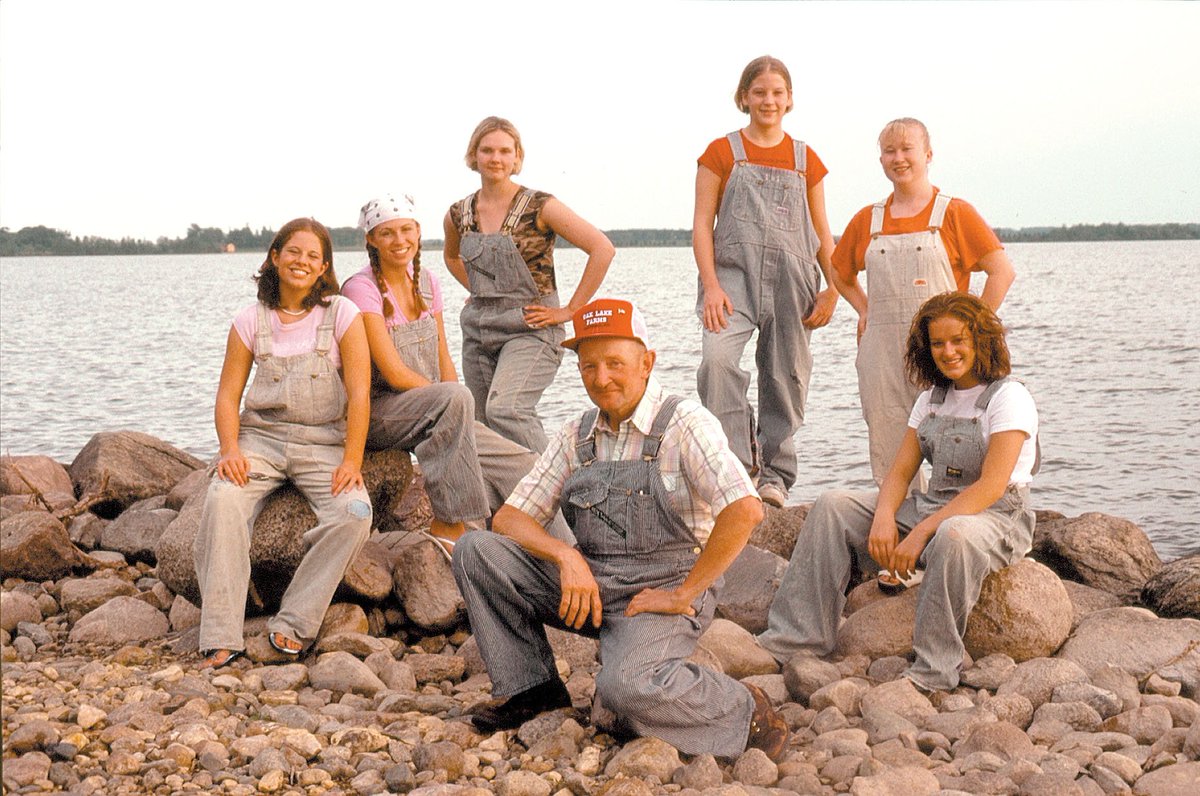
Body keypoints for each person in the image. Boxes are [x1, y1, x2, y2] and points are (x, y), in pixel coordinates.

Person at [451, 297, 790, 761]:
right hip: (591, 585)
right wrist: (567, 557)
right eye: (589, 366)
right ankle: (531, 689)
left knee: (625, 688)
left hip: (660, 592)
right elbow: (511, 516)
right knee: (476, 549)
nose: (601, 377)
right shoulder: (577, 433)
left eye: (615, 363)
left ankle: (745, 709)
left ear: (647, 362)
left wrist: (684, 594)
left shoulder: (684, 423)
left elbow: (746, 509)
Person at [757, 292, 1039, 692]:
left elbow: (992, 486)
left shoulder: (1010, 397)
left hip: (995, 516)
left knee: (954, 534)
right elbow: (900, 472)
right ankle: (794, 639)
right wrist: (886, 517)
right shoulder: (931, 399)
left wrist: (921, 532)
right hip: (935, 504)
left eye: (958, 340)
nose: (948, 351)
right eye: (938, 343)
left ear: (980, 339)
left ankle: (933, 671)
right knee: (833, 505)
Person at [342, 194, 571, 554]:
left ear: (418, 233)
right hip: (379, 414)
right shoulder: (361, 288)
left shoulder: (427, 283)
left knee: (522, 464)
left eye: (406, 230)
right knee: (457, 397)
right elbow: (394, 373)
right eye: (387, 234)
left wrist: (453, 403)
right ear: (371, 239)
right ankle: (452, 525)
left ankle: (566, 549)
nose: (399, 241)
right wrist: (452, 400)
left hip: (433, 407)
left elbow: (443, 357)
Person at [194, 218, 372, 668]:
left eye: (313, 256)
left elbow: (360, 392)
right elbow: (228, 395)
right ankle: (220, 635)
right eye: (294, 252)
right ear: (275, 257)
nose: (302, 261)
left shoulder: (343, 315)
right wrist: (230, 450)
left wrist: (352, 460)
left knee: (354, 515)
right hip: (261, 441)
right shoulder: (250, 320)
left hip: (324, 444)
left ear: (324, 268)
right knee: (222, 498)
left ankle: (293, 622)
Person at [831, 118, 1016, 493]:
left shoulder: (954, 213)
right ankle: (895, 528)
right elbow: (839, 272)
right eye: (889, 151)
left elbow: (1001, 272)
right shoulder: (868, 219)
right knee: (888, 443)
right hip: (882, 355)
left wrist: (972, 330)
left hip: (944, 351)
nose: (898, 158)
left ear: (928, 155)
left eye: (907, 149)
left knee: (959, 437)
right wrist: (864, 309)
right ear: (880, 159)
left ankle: (959, 520)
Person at [693, 55, 840, 510]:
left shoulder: (806, 159)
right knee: (716, 363)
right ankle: (740, 466)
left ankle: (775, 476)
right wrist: (712, 285)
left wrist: (835, 288)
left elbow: (821, 231)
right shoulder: (721, 151)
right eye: (759, 92)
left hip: (793, 281)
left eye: (777, 93)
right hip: (732, 277)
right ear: (744, 98)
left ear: (790, 99)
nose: (768, 101)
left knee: (785, 377)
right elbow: (701, 224)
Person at [443, 116, 615, 452]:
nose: (496, 158)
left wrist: (569, 311)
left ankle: (558, 493)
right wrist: (480, 289)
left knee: (508, 409)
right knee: (483, 423)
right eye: (487, 150)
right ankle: (507, 503)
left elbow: (602, 249)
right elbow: (452, 258)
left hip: (531, 326)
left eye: (505, 151)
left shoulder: (540, 206)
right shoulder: (458, 213)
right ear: (473, 156)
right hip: (479, 328)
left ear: (517, 158)